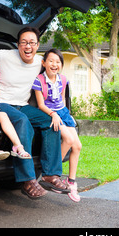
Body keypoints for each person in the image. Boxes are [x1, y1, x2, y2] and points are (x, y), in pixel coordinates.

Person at [0, 27, 70, 199]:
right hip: (0, 104)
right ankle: (27, 180)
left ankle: (50, 174)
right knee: (22, 121)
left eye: (32, 43)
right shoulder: (3, 56)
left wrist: (56, 111)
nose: (28, 46)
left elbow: (53, 77)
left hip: (23, 104)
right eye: (24, 43)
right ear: (18, 45)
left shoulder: (41, 62)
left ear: (37, 45)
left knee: (50, 122)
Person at [32, 49, 82, 202]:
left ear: (61, 64)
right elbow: (41, 105)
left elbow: (62, 99)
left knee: (77, 146)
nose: (54, 64)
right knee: (68, 139)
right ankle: (51, 174)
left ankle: (71, 181)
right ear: (44, 63)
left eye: (58, 61)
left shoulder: (63, 79)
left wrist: (67, 114)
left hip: (63, 113)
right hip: (50, 113)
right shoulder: (39, 80)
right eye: (51, 61)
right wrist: (53, 115)